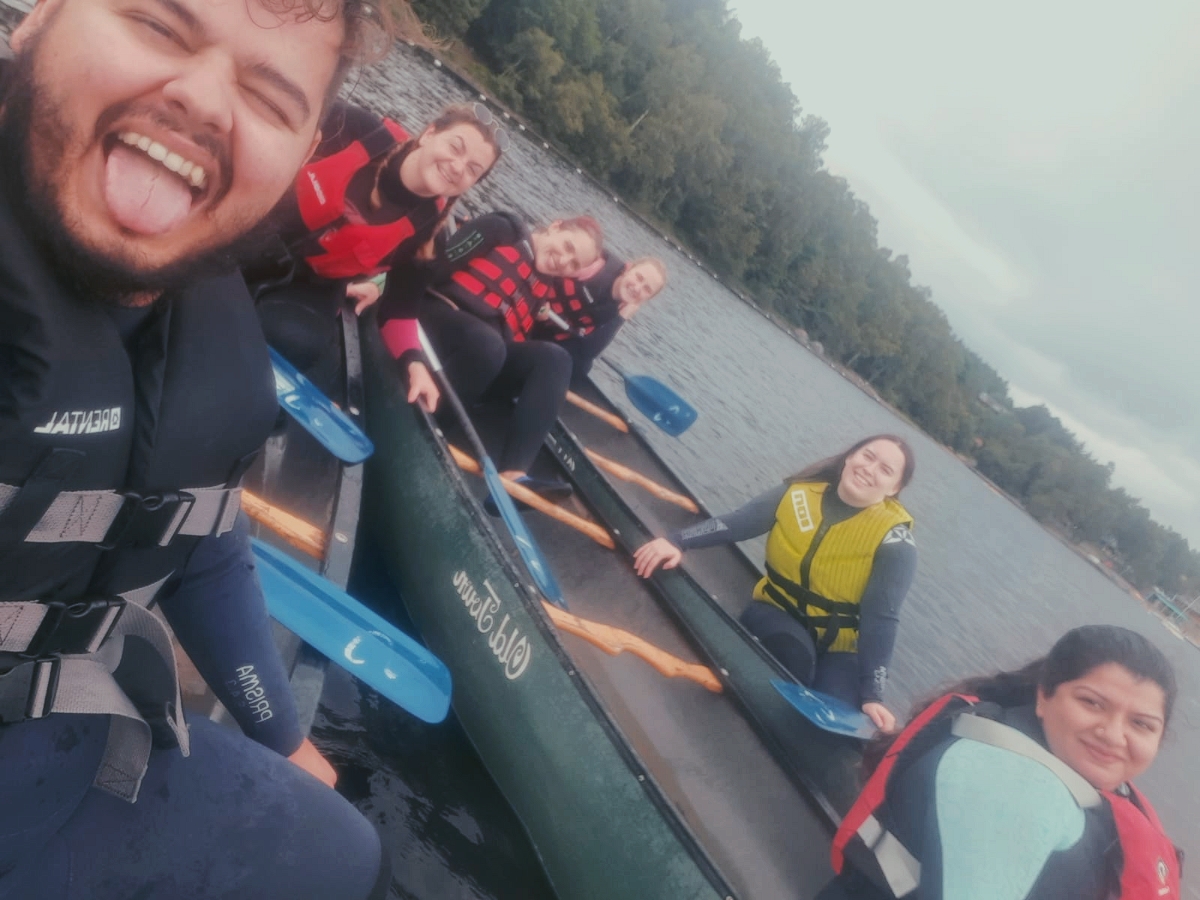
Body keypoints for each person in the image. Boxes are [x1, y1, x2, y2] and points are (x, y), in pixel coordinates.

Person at [0, 0, 416, 897]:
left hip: (56, 761)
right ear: (36, 18)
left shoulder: (200, 327)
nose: (203, 99)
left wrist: (284, 735)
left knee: (346, 853)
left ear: (303, 153)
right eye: (159, 26)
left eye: (269, 97)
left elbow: (193, 533)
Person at [822, 624, 1182, 900]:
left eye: (1141, 724)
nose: (1113, 734)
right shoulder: (1017, 789)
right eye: (1092, 703)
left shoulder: (1065, 765)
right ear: (1044, 696)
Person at [633, 434, 916, 731]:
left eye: (885, 470)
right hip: (775, 614)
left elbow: (882, 618)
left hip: (838, 647)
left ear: (894, 488)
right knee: (795, 659)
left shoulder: (896, 541)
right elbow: (737, 522)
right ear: (850, 456)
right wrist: (678, 541)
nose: (869, 469)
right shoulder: (798, 494)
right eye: (867, 456)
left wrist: (873, 693)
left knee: (840, 721)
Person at [251, 98, 507, 411]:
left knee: (293, 339)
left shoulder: (428, 236)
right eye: (456, 147)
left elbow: (399, 312)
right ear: (428, 134)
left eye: (472, 170)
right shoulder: (352, 127)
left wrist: (414, 363)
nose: (457, 167)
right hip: (251, 236)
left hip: (310, 287)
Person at [383, 211, 603, 498]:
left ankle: (513, 475)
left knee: (557, 358)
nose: (563, 261)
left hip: (484, 355)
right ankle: (422, 429)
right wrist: (379, 285)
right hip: (437, 318)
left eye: (573, 264)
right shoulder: (501, 230)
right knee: (488, 346)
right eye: (568, 247)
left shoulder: (543, 288)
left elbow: (579, 353)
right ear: (555, 226)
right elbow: (432, 266)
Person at [531, 254, 668, 386]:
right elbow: (546, 268)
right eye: (638, 278)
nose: (637, 288)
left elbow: (588, 352)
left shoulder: (622, 311)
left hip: (550, 334)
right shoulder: (595, 267)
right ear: (628, 268)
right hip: (532, 309)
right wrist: (539, 300)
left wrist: (621, 318)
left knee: (582, 366)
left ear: (647, 299)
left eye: (646, 289)